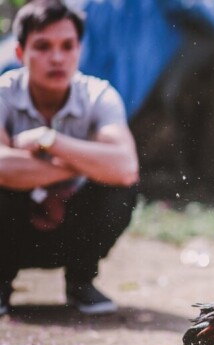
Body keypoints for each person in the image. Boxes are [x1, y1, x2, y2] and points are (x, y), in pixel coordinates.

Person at [0, 0, 139, 317]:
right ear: (20, 53)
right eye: (43, 46)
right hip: (14, 228)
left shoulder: (99, 95)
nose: (57, 58)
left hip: (73, 227)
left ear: (79, 49)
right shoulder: (3, 94)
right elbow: (2, 167)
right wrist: (81, 165)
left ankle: (81, 279)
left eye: (67, 46)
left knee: (120, 190)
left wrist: (49, 140)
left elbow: (125, 168)